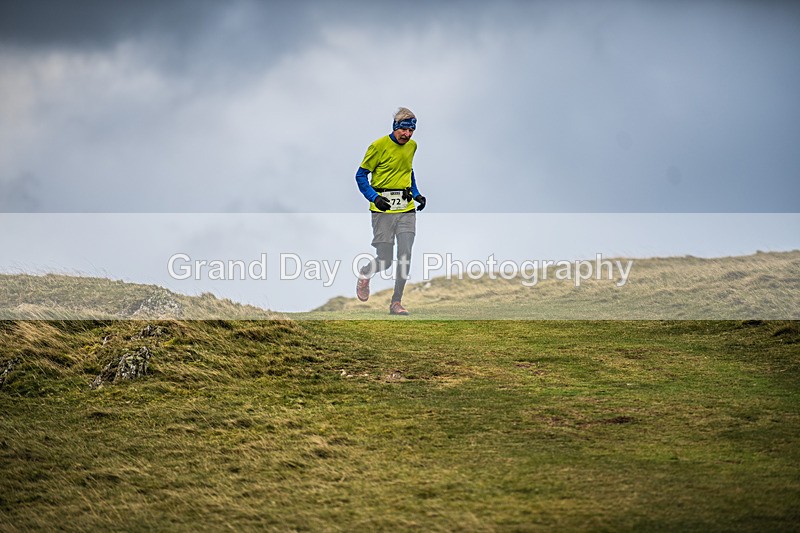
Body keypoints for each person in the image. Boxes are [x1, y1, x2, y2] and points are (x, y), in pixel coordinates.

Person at [354, 107, 427, 315]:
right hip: (382, 210)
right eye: (403, 130)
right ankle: (366, 273)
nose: (407, 135)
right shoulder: (378, 146)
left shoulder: (412, 146)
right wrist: (375, 198)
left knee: (405, 254)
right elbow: (360, 176)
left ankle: (396, 302)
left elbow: (408, 171)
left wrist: (416, 194)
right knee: (385, 259)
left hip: (406, 209)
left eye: (411, 131)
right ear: (395, 128)